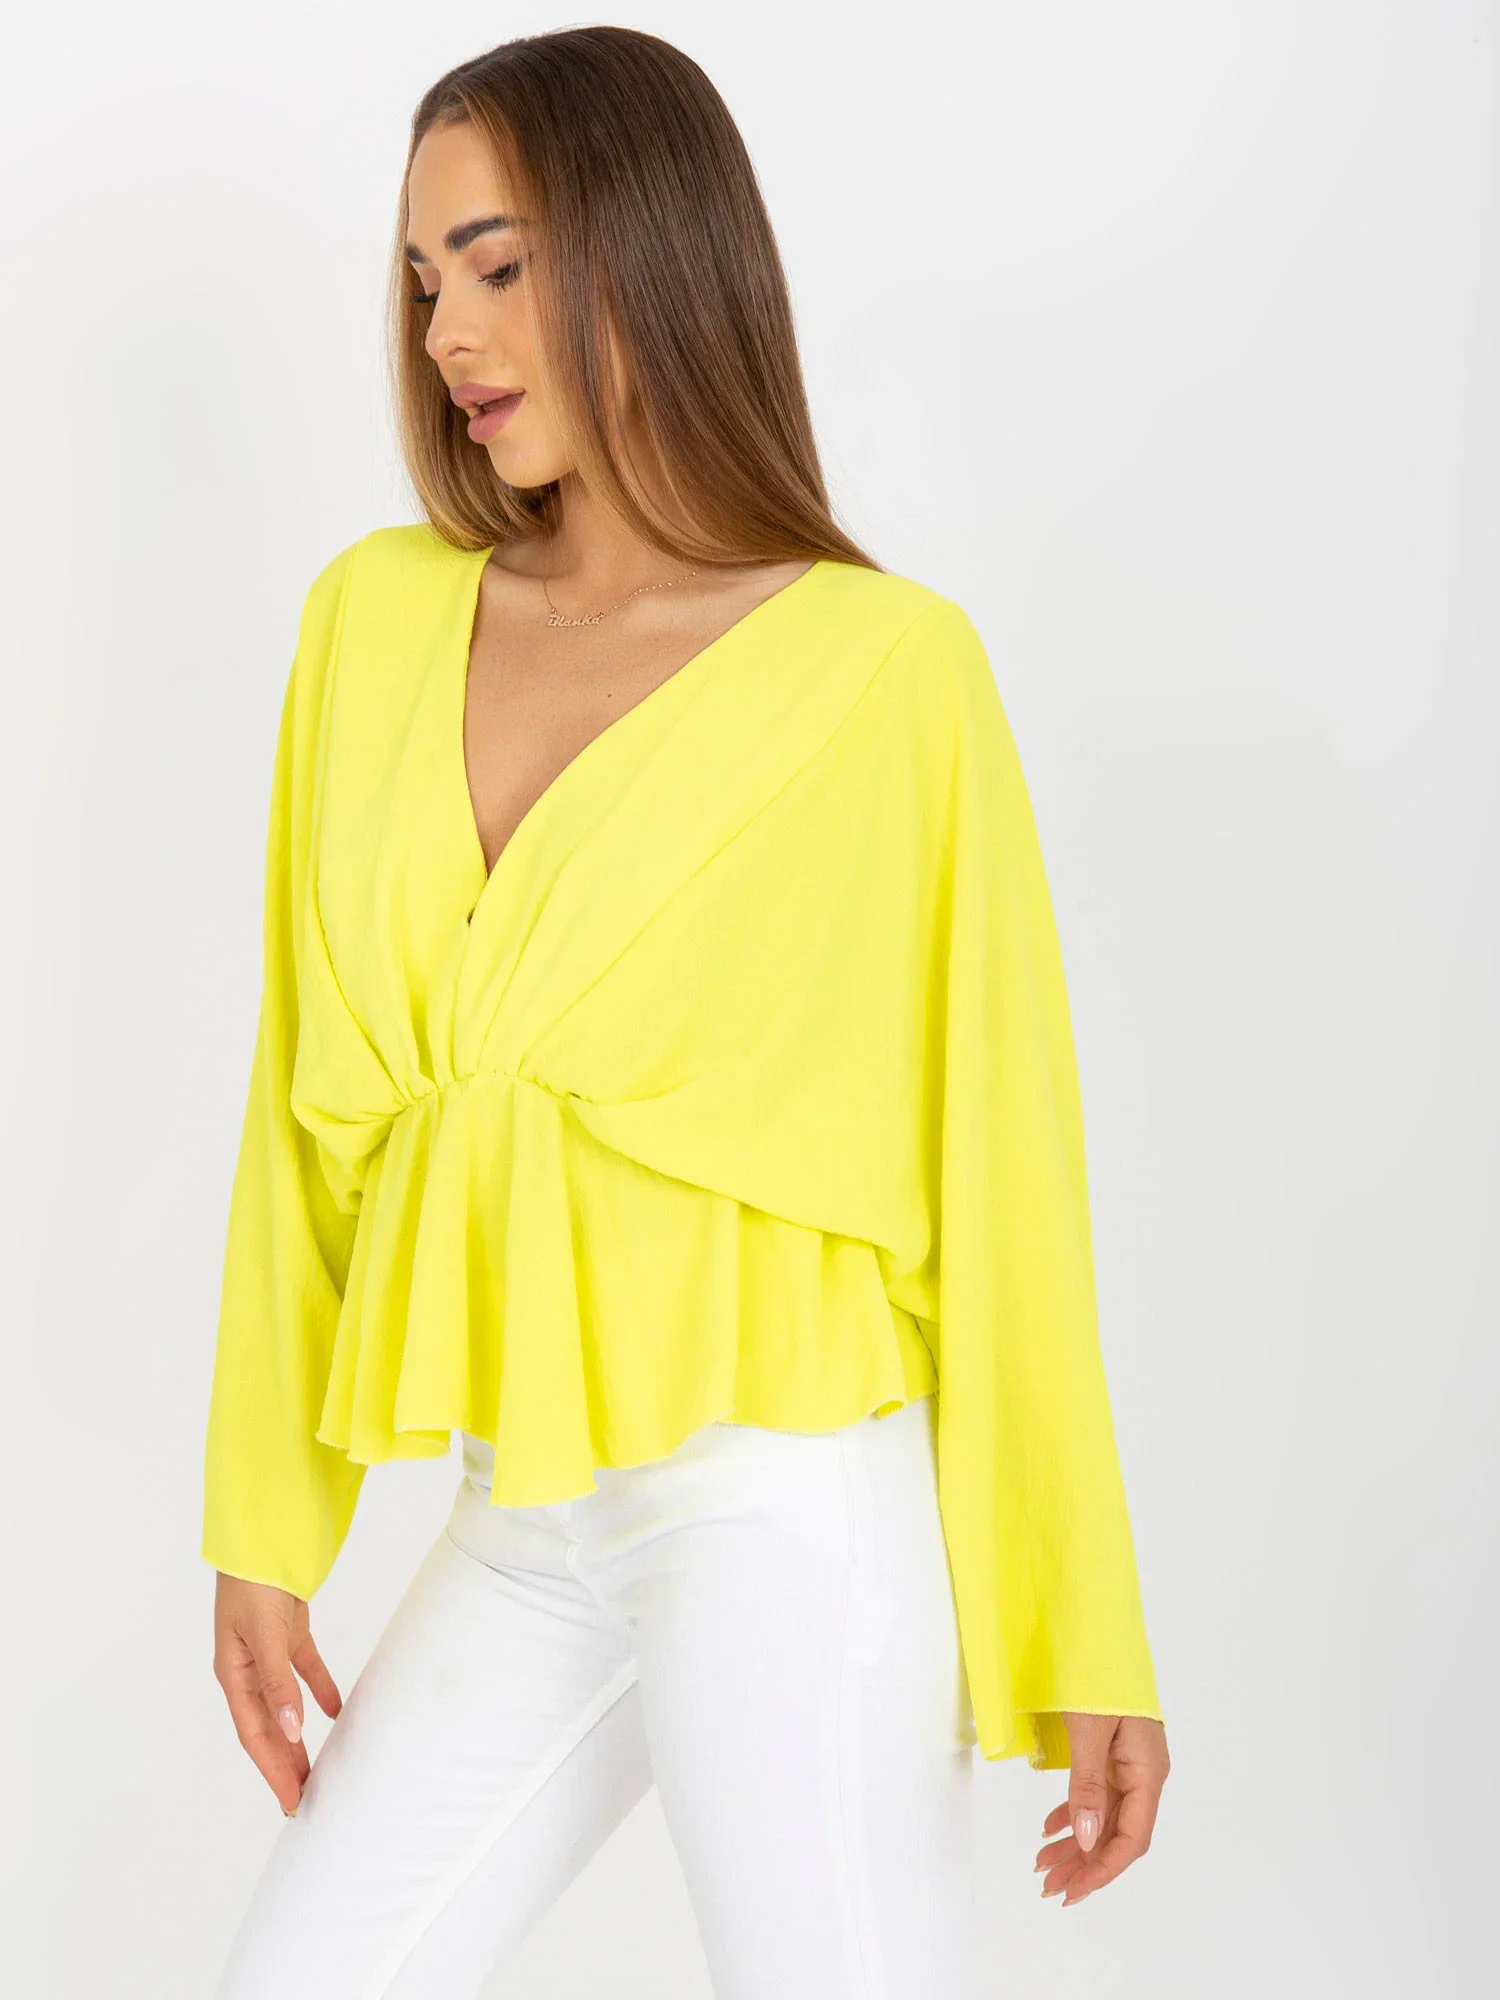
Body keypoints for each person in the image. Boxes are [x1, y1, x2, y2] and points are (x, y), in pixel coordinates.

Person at [202, 24, 1171, 1998]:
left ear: (650, 250)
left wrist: (1084, 1624)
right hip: (521, 1507)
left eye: (498, 264)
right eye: (423, 279)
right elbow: (296, 1104)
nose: (449, 334)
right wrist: (263, 1521)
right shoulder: (372, 621)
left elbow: (1005, 1165)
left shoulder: (888, 671)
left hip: (788, 1504)